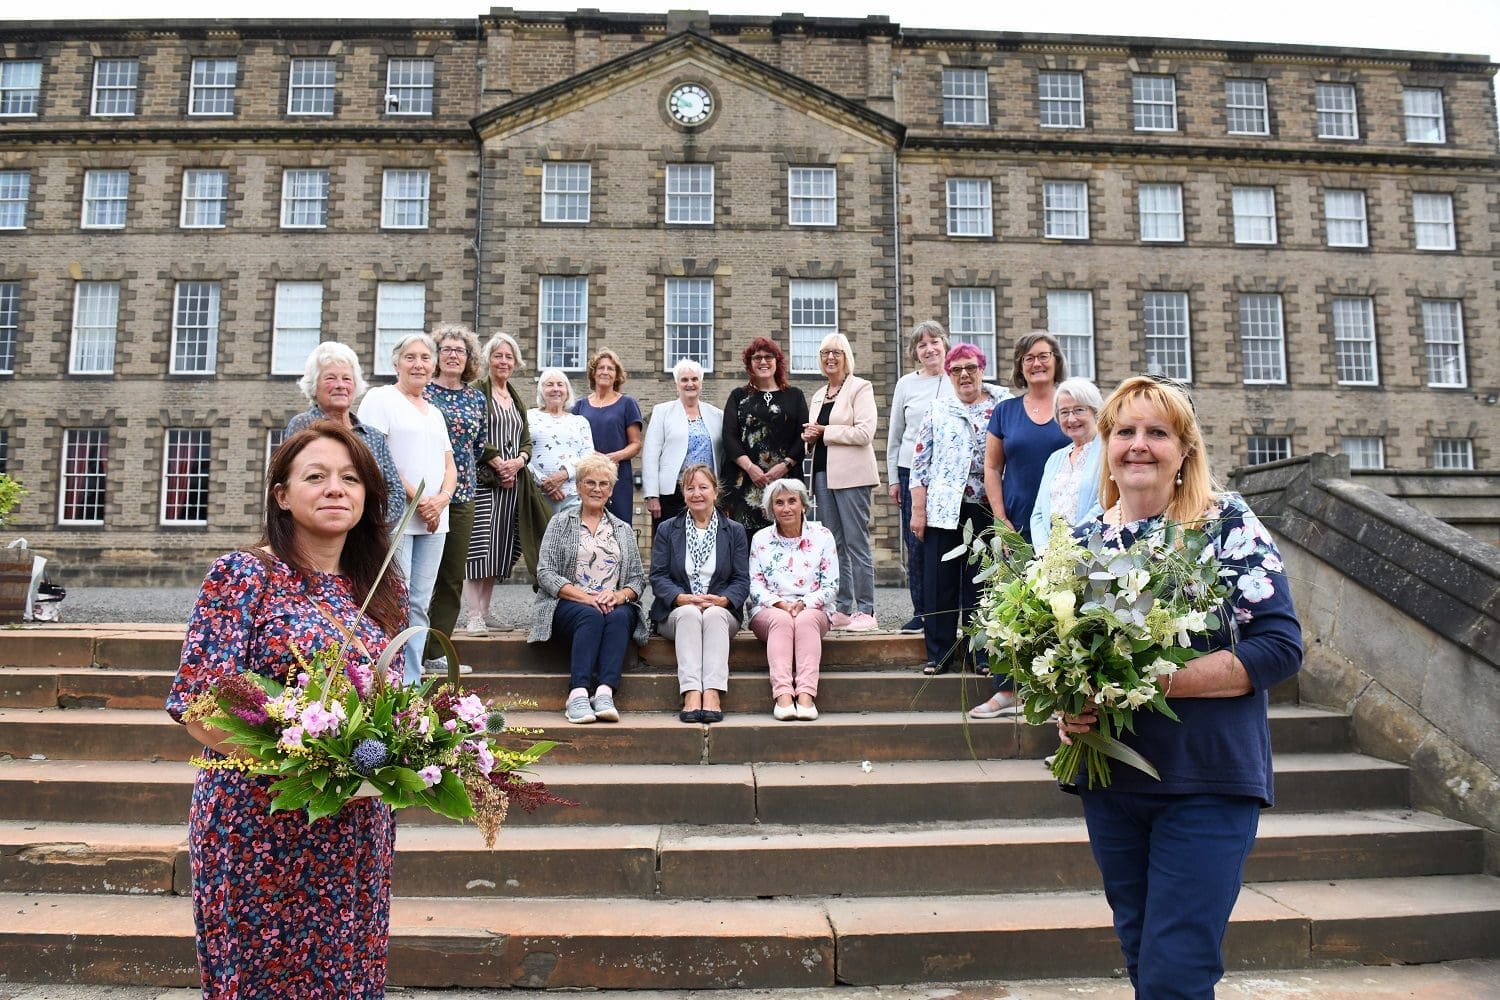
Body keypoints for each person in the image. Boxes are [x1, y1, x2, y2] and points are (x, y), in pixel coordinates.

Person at [1057, 375, 1303, 1000]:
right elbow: (1074, 660)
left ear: (1185, 450)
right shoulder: (1085, 539)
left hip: (1207, 780)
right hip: (1113, 783)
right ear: (1107, 444)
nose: (1139, 445)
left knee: (1177, 969)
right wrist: (1072, 708)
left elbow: (1278, 647)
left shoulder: (1224, 523)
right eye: (1126, 432)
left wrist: (1148, 682)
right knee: (1143, 957)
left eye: (1157, 433)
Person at [166, 423, 406, 999]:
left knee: (348, 975)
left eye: (350, 479)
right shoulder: (242, 576)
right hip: (258, 823)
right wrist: (310, 763)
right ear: (281, 494)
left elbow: (385, 701)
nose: (335, 489)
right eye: (316, 476)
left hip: (354, 829)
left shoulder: (369, 590)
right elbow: (198, 701)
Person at [357, 333, 457, 684]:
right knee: (393, 599)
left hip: (434, 520)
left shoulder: (435, 412)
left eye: (425, 358)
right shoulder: (380, 399)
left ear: (434, 365)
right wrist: (420, 500)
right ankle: (387, 678)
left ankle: (412, 683)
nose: (419, 364)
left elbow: (450, 466)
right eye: (410, 357)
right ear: (396, 362)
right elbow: (379, 458)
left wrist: (441, 500)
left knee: (419, 602)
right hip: (399, 516)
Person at [908, 343, 1007, 676]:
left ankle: (982, 654)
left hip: (987, 506)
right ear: (949, 375)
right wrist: (917, 511)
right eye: (956, 370)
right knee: (939, 581)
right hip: (943, 508)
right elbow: (920, 463)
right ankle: (939, 653)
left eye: (971, 367)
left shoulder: (1001, 405)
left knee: (981, 582)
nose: (964, 375)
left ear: (982, 368)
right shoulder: (938, 409)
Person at [528, 452, 648, 725]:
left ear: (611, 490)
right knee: (590, 615)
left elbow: (637, 580)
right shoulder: (560, 522)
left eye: (603, 483)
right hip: (569, 605)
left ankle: (605, 692)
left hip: (612, 604)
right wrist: (586, 598)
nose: (597, 489)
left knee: (620, 616)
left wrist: (618, 596)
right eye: (590, 482)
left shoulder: (622, 529)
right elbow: (545, 572)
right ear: (579, 487)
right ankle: (578, 693)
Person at [649, 464, 750, 724]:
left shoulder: (735, 531)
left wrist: (724, 599)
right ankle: (692, 692)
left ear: (716, 492)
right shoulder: (667, 529)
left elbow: (741, 579)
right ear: (683, 493)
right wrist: (681, 598)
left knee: (715, 615)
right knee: (690, 614)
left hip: (721, 611)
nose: (697, 493)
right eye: (690, 488)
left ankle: (713, 692)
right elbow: (658, 576)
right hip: (677, 612)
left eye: (703, 487)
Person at [284, 341, 406, 532]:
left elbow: (395, 491)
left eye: (347, 379)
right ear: (314, 385)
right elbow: (290, 483)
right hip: (315, 536)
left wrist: (370, 524)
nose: (340, 385)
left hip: (367, 538)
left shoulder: (373, 436)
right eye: (330, 378)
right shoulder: (302, 425)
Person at [803, 333, 879, 632]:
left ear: (846, 356)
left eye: (835, 352)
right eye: (824, 354)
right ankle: (844, 608)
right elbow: (817, 436)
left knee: (856, 542)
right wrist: (809, 438)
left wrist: (824, 431)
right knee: (834, 545)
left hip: (853, 477)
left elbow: (864, 433)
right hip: (822, 475)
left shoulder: (861, 388)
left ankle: (867, 610)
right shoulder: (819, 394)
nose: (830, 358)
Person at [463, 332, 538, 636]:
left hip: (512, 485)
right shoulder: (479, 391)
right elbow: (475, 434)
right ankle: (472, 616)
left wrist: (519, 461)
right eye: (498, 356)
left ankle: (486, 610)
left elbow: (526, 439)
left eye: (508, 356)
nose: (503, 361)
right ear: (488, 360)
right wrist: (498, 463)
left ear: (515, 362)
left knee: (500, 547)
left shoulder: (515, 396)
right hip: (485, 482)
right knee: (478, 546)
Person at [422, 324, 486, 670]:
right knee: (419, 576)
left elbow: (478, 446)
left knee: (450, 576)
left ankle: (434, 652)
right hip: (424, 497)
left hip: (461, 496)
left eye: (459, 351)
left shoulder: (476, 397)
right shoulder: (423, 393)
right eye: (446, 349)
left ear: (468, 359)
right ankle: (406, 649)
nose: (452, 355)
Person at [748, 478, 839, 721]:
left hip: (813, 608)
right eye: (779, 503)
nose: (786, 508)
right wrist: (780, 604)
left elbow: (831, 586)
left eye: (792, 501)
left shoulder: (823, 536)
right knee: (782, 621)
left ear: (803, 505)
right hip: (770, 610)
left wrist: (805, 603)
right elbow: (755, 586)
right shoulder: (760, 539)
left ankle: (806, 697)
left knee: (806, 620)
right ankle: (784, 696)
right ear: (771, 509)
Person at [886, 319, 950, 635]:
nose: (929, 349)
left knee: (948, 540)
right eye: (922, 344)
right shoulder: (905, 385)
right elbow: (895, 435)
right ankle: (921, 612)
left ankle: (950, 610)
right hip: (910, 472)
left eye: (933, 342)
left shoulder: (957, 380)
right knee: (917, 542)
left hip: (948, 474)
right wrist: (893, 479)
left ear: (944, 345)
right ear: (915, 352)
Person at [983, 332, 1070, 544]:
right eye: (1028, 358)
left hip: (1066, 524)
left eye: (1043, 356)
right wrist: (1000, 519)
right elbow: (992, 468)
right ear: (1020, 366)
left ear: (1056, 361)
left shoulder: (1073, 409)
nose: (1036, 363)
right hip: (1016, 525)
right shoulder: (1005, 411)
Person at [720, 338, 808, 535]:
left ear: (777, 361)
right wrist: (751, 469)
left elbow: (802, 437)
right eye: (757, 357)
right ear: (749, 364)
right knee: (745, 539)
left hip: (785, 481)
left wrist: (783, 466)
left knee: (787, 535)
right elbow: (729, 436)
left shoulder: (795, 395)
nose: (763, 362)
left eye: (768, 357)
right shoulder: (738, 396)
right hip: (745, 482)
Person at [643, 358, 724, 532]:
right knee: (671, 543)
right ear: (677, 384)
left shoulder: (717, 415)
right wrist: (652, 495)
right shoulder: (662, 412)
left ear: (701, 383)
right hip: (672, 492)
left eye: (694, 379)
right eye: (684, 380)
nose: (690, 384)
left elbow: (723, 454)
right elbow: (650, 455)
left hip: (706, 492)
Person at [1029, 377, 1105, 550]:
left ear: (1095, 411)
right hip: (1051, 556)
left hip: (1091, 552)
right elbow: (1038, 513)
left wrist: (1069, 544)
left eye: (1079, 410)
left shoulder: (1109, 453)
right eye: (1064, 412)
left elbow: (1105, 504)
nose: (1071, 419)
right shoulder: (1055, 458)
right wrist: (1045, 550)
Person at [573, 349, 643, 523]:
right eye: (601, 368)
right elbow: (572, 443)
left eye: (610, 368)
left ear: (617, 375)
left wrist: (611, 458)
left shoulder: (628, 404)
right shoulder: (579, 406)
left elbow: (635, 444)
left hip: (617, 476)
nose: (605, 372)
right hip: (587, 475)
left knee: (617, 524)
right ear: (593, 373)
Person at [529, 368, 595, 515]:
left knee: (568, 538)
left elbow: (588, 457)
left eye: (560, 384)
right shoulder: (528, 417)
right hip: (536, 494)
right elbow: (520, 452)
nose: (555, 389)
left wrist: (564, 474)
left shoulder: (579, 422)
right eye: (549, 384)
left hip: (572, 496)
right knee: (539, 538)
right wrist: (544, 483)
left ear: (567, 391)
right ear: (541, 390)